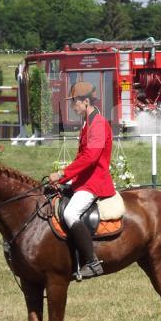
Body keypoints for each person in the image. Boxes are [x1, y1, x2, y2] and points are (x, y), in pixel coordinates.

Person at [49, 81, 116, 279]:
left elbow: (91, 158)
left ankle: (93, 262)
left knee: (70, 214)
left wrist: (62, 174)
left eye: (75, 103)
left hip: (94, 181)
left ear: (86, 101)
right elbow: (81, 158)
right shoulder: (87, 123)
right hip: (83, 178)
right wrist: (67, 178)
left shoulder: (99, 124)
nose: (73, 107)